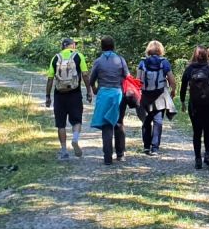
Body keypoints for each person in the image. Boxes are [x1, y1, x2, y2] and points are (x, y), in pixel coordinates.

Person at [88, 36, 131, 164]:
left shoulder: (98, 61)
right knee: (118, 122)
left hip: (103, 95)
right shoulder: (120, 60)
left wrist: (94, 89)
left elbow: (91, 80)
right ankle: (120, 154)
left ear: (102, 47)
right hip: (118, 94)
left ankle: (107, 158)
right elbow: (127, 76)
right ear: (113, 46)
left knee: (106, 125)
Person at [44, 37, 89, 160]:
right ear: (72, 45)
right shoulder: (78, 56)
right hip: (75, 93)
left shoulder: (55, 57)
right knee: (77, 120)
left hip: (59, 94)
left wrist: (48, 96)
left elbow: (50, 79)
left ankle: (64, 151)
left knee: (61, 124)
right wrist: (89, 91)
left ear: (63, 46)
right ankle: (75, 139)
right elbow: (85, 74)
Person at [179, 45, 209, 169]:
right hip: (208, 104)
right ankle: (208, 155)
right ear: (206, 56)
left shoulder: (189, 69)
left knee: (197, 132)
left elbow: (183, 87)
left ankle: (198, 159)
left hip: (194, 105)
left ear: (194, 55)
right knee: (208, 129)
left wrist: (182, 102)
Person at [136, 40, 176, 153]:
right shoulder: (164, 62)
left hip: (145, 96)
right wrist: (173, 90)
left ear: (148, 50)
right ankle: (155, 148)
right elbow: (172, 80)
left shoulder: (142, 62)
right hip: (160, 96)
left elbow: (138, 80)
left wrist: (138, 93)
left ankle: (146, 146)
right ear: (160, 50)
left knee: (146, 120)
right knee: (158, 121)